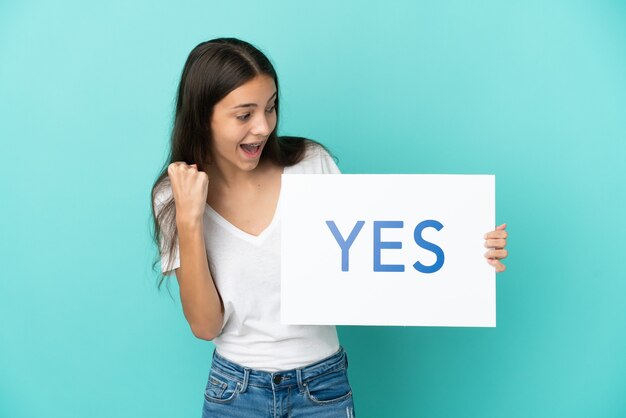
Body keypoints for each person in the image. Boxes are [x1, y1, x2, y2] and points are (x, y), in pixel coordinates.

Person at [150, 37, 508, 418]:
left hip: (322, 387)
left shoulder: (310, 164)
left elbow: (373, 254)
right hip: (234, 392)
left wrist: (466, 250)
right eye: (244, 115)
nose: (263, 127)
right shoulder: (172, 197)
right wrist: (189, 220)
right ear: (203, 116)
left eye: (270, 108)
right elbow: (206, 325)